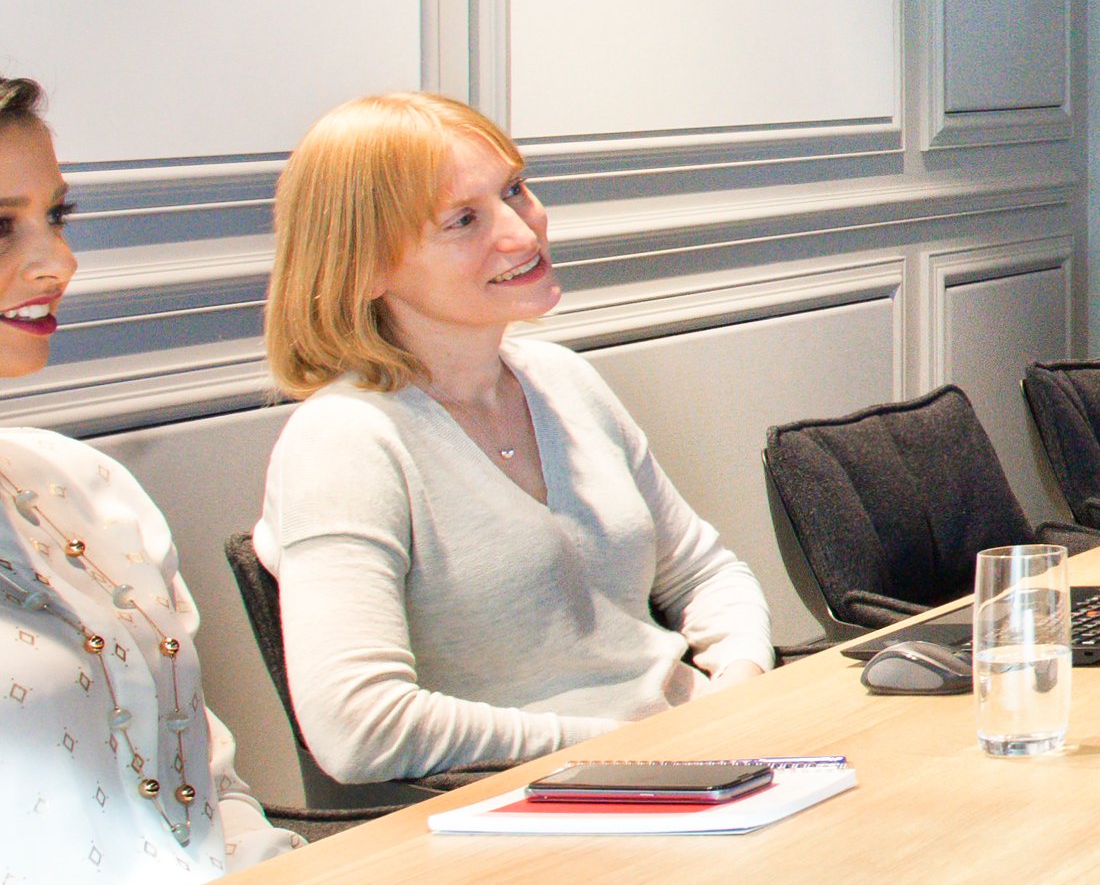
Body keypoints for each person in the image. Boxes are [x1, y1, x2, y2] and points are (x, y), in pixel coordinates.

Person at [253, 90, 780, 785]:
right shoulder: (345, 441)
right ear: (366, 265)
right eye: (464, 219)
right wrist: (624, 745)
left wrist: (737, 684)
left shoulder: (564, 381)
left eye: (516, 189)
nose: (523, 233)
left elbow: (704, 571)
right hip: (536, 813)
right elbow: (358, 725)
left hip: (689, 766)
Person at [0, 75, 292, 885]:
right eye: (0, 226)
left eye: (59, 215)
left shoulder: (85, 486)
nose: (59, 262)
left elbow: (207, 787)